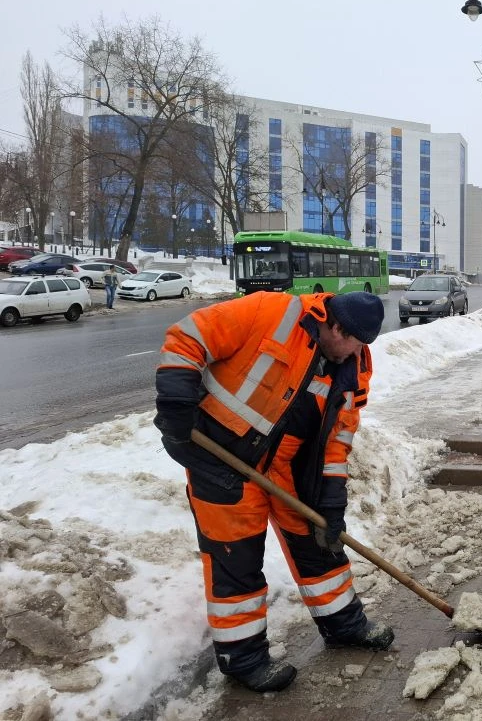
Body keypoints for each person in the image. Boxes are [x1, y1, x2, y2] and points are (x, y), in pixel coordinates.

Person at [154, 289, 393, 693]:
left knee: (320, 544)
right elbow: (188, 336)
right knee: (236, 560)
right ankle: (244, 660)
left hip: (288, 466)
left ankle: (344, 625)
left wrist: (331, 500)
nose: (358, 352)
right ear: (336, 327)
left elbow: (337, 440)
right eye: (355, 342)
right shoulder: (269, 311)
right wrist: (177, 400)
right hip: (223, 456)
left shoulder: (353, 367)